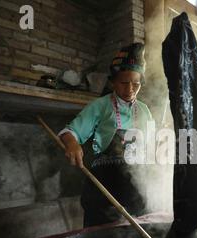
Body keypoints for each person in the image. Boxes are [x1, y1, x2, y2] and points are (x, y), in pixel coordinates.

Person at [58, 43, 153, 227]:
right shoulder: (101, 106)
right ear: (113, 82)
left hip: (135, 189)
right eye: (124, 83)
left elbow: (151, 148)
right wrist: (72, 143)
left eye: (136, 84)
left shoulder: (144, 110)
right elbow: (70, 132)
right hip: (103, 189)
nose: (130, 89)